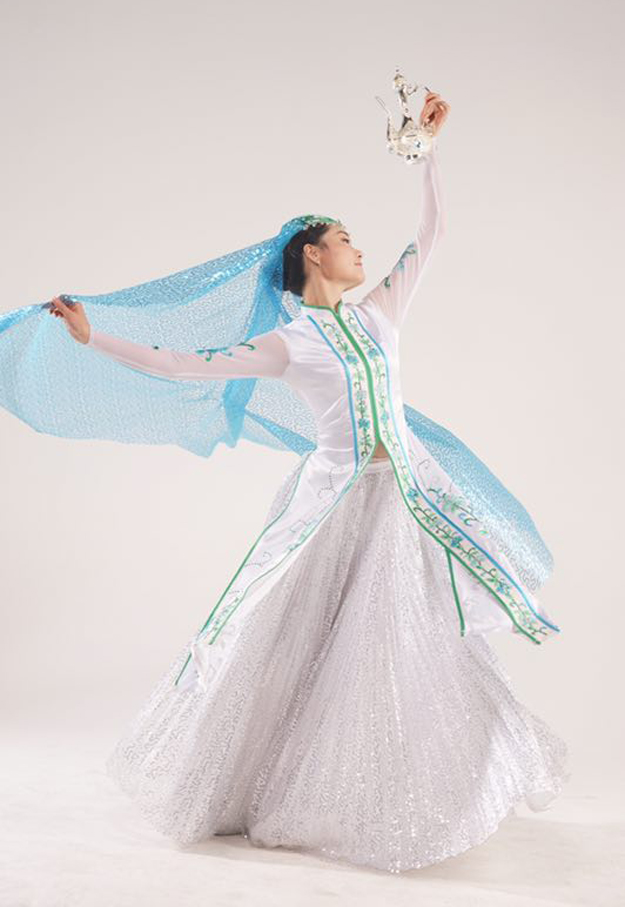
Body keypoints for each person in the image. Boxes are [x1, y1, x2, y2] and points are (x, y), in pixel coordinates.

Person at [35, 91, 569, 873]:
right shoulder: (287, 342)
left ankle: (407, 786)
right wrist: (94, 337)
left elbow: (432, 234)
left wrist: (427, 154)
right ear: (312, 255)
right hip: (335, 506)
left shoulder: (381, 313)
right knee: (301, 641)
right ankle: (272, 779)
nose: (358, 250)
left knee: (408, 639)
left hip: (403, 501)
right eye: (344, 240)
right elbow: (179, 364)